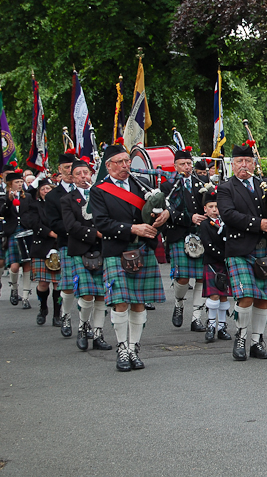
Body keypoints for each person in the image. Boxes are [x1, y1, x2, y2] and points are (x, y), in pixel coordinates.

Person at [90, 145, 169, 371]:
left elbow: (160, 205)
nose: (126, 166)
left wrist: (166, 213)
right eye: (120, 162)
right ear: (109, 166)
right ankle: (122, 348)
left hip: (142, 249)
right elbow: (102, 224)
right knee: (120, 303)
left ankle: (134, 348)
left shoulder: (140, 184)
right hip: (117, 250)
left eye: (127, 161)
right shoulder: (99, 190)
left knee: (138, 303)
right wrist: (134, 228)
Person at [216, 143, 267, 361]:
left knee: (263, 299)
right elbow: (228, 215)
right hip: (239, 249)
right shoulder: (225, 188)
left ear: (254, 164)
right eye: (239, 162)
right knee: (246, 296)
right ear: (233, 164)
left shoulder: (264, 185)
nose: (244, 165)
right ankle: (241, 336)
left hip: (264, 249)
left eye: (247, 161)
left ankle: (257, 342)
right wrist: (259, 224)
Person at [61, 160, 112, 350]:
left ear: (91, 174)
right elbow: (70, 226)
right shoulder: (67, 199)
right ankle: (83, 328)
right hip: (81, 249)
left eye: (86, 173)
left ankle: (98, 334)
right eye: (79, 174)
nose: (83, 176)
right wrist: (96, 234)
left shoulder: (101, 194)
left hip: (103, 249)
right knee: (87, 295)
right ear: (72, 178)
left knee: (101, 296)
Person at [163, 147, 207, 332]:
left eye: (189, 163)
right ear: (175, 166)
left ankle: (197, 317)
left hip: (200, 235)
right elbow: (169, 212)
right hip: (179, 234)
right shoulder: (168, 185)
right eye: (183, 164)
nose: (187, 167)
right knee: (182, 278)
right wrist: (190, 218)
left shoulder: (201, 183)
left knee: (201, 278)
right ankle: (179, 304)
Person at [44, 152, 79, 337]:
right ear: (59, 170)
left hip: (89, 243)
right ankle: (65, 314)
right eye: (66, 168)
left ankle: (85, 323)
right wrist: (76, 229)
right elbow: (54, 223)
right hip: (67, 242)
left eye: (72, 167)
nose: (70, 171)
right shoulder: (52, 196)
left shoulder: (87, 190)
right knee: (67, 285)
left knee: (88, 287)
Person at [21, 178, 62, 326]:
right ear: (39, 192)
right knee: (43, 284)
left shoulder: (60, 204)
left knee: (58, 284)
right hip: (41, 246)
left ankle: (57, 315)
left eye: (48, 189)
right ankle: (43, 307)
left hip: (58, 246)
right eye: (43, 189)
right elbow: (34, 223)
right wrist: (51, 233)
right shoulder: (34, 205)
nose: (46, 191)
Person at [198, 187, 232, 342]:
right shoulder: (204, 225)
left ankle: (222, 327)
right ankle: (211, 325)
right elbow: (207, 244)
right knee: (214, 295)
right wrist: (223, 255)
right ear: (205, 209)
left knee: (224, 296)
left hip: (225, 262)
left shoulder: (227, 223)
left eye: (217, 207)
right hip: (213, 262)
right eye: (211, 207)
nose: (214, 210)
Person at [0, 170, 33, 307]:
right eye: (16, 182)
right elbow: (3, 212)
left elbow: (31, 211)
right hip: (13, 232)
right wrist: (9, 200)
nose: (19, 184)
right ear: (10, 184)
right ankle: (14, 289)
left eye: (21, 182)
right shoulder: (3, 197)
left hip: (26, 230)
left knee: (27, 264)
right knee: (14, 266)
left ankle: (25, 297)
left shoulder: (28, 196)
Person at [0, 164, 16, 299]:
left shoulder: (21, 190)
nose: (9, 176)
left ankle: (15, 289)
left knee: (16, 263)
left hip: (15, 229)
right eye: (6, 174)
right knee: (0, 261)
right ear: (2, 175)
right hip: (0, 227)